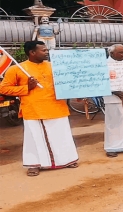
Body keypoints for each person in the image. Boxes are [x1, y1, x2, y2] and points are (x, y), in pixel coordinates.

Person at [0, 41, 78, 176]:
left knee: (62, 136)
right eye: (44, 50)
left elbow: (67, 83)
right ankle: (34, 164)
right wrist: (27, 88)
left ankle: (67, 160)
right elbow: (4, 88)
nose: (47, 52)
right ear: (32, 52)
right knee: (35, 139)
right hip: (34, 109)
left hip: (57, 107)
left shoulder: (54, 66)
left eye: (46, 50)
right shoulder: (17, 69)